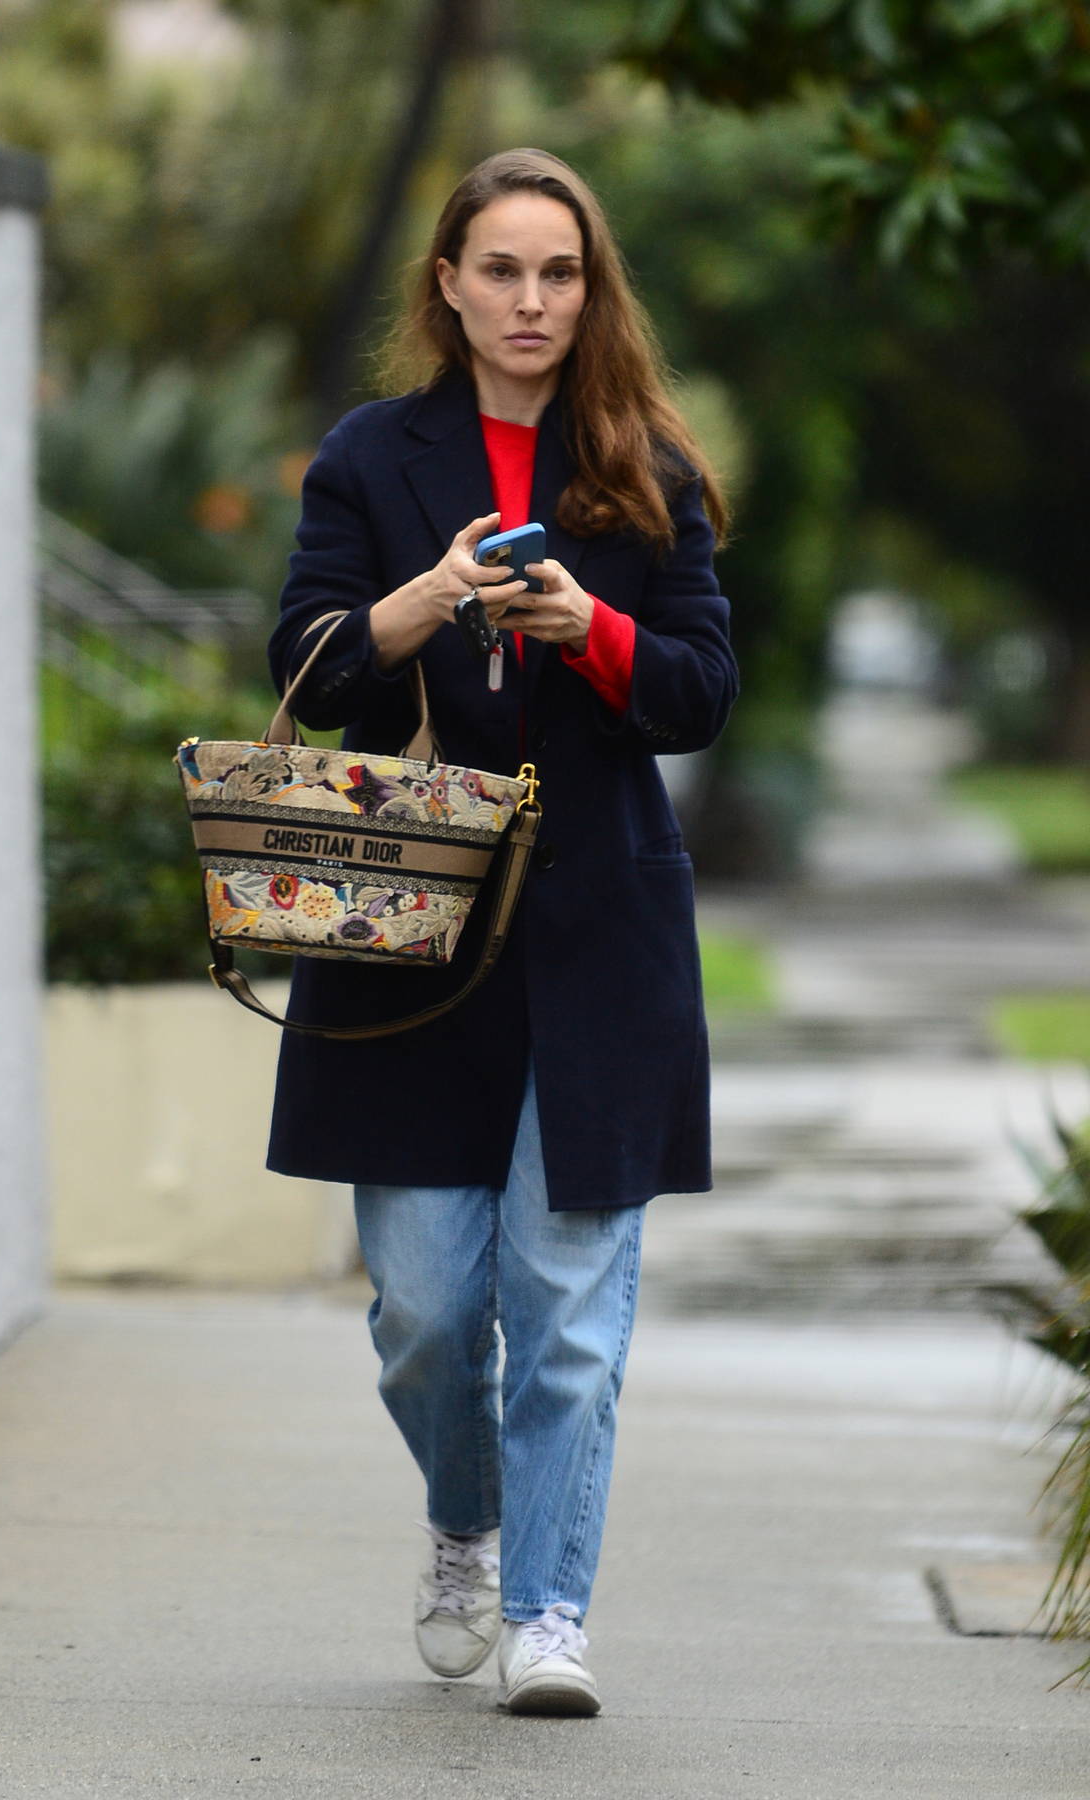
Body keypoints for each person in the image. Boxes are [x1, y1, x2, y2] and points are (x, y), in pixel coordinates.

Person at [266, 147, 738, 1716]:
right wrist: (430, 599)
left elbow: (699, 691)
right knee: (423, 1312)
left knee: (567, 1312)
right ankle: (463, 1521)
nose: (531, 300)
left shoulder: (646, 464)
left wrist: (584, 628)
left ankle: (548, 1607)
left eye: (560, 272)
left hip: (602, 930)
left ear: (590, 292)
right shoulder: (369, 455)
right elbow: (314, 662)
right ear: (450, 287)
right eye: (503, 270)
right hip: (410, 925)